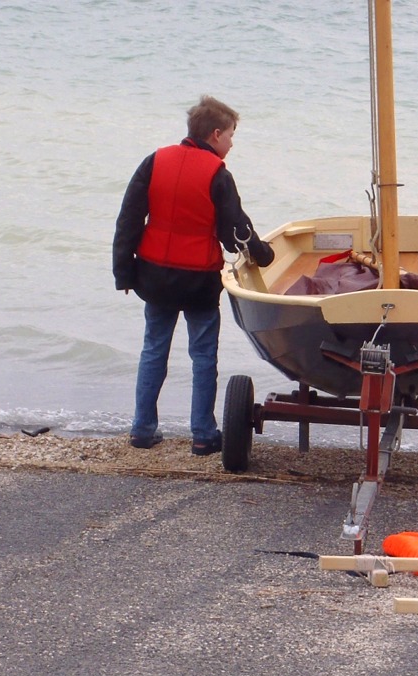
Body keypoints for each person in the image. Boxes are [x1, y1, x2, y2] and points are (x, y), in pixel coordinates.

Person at [113, 95, 274, 455]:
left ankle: (142, 430)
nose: (232, 143)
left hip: (154, 277)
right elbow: (236, 230)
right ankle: (202, 434)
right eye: (231, 135)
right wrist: (263, 256)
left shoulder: (154, 161)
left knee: (153, 349)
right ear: (215, 134)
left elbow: (128, 219)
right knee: (203, 355)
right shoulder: (217, 173)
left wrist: (123, 272)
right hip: (198, 281)